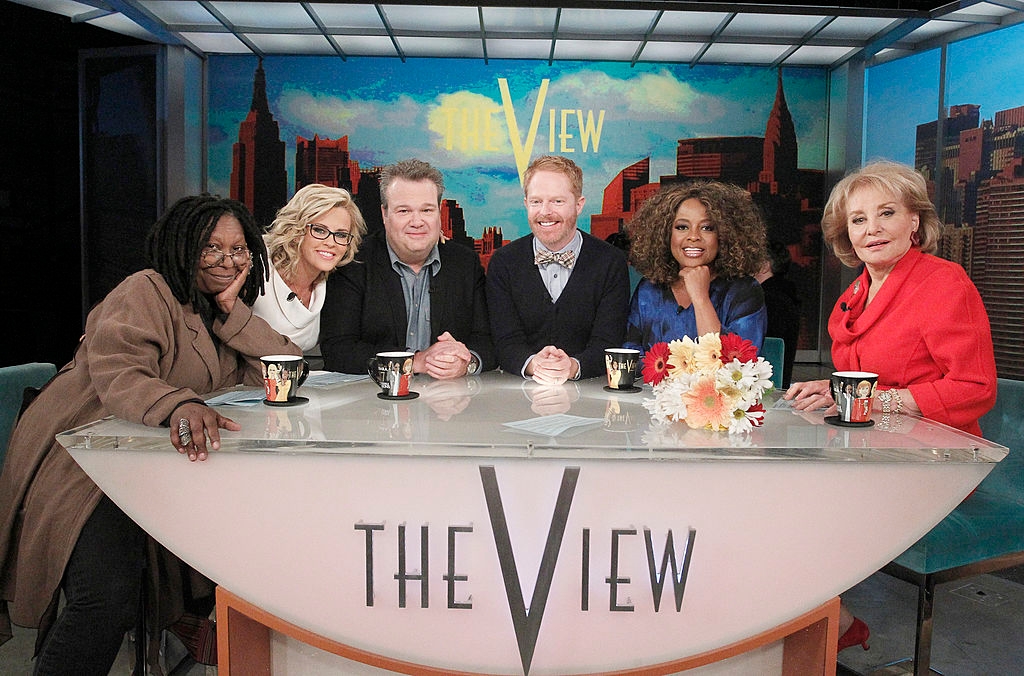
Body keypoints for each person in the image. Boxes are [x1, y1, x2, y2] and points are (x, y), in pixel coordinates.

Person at [0, 195, 301, 674]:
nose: (228, 260)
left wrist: (232, 312)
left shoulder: (218, 310)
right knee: (105, 599)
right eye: (211, 247)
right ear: (182, 247)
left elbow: (285, 368)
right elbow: (120, 371)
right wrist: (179, 403)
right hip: (89, 465)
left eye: (239, 249)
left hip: (155, 470)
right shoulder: (145, 290)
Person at [785, 160, 997, 653]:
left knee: (797, 506)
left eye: (886, 213)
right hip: (872, 452)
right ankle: (807, 623)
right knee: (775, 488)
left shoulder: (943, 282)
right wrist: (830, 388)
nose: (872, 228)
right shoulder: (855, 294)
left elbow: (975, 387)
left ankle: (821, 624)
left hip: (937, 462)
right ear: (847, 233)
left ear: (914, 222)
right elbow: (869, 378)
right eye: (858, 219)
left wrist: (879, 400)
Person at [320, 159, 495, 378]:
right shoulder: (354, 263)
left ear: (439, 213)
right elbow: (337, 349)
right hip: (371, 400)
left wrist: (466, 361)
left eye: (427, 210)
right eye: (404, 211)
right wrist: (415, 361)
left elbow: (488, 341)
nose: (417, 221)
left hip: (448, 399)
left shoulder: (465, 264)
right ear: (385, 214)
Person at [486, 155, 630, 384]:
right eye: (536, 202)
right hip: (517, 391)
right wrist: (534, 364)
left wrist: (573, 366)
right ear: (525, 203)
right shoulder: (503, 262)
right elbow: (504, 341)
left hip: (591, 395)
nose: (545, 211)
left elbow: (608, 341)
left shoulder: (610, 262)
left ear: (579, 204)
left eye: (557, 201)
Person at [623, 180, 768, 355]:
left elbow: (736, 367)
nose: (693, 236)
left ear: (724, 235)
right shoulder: (649, 289)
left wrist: (700, 298)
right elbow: (630, 356)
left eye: (707, 228)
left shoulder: (744, 292)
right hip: (652, 384)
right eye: (682, 227)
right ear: (665, 234)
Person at [253, 184, 366, 368]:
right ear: (296, 230)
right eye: (320, 230)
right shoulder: (257, 265)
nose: (331, 242)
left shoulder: (335, 283)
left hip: (288, 387)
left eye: (341, 234)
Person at [755, 240, 802, 386]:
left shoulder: (768, 299)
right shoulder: (784, 295)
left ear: (764, 265)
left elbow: (769, 348)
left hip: (766, 386)